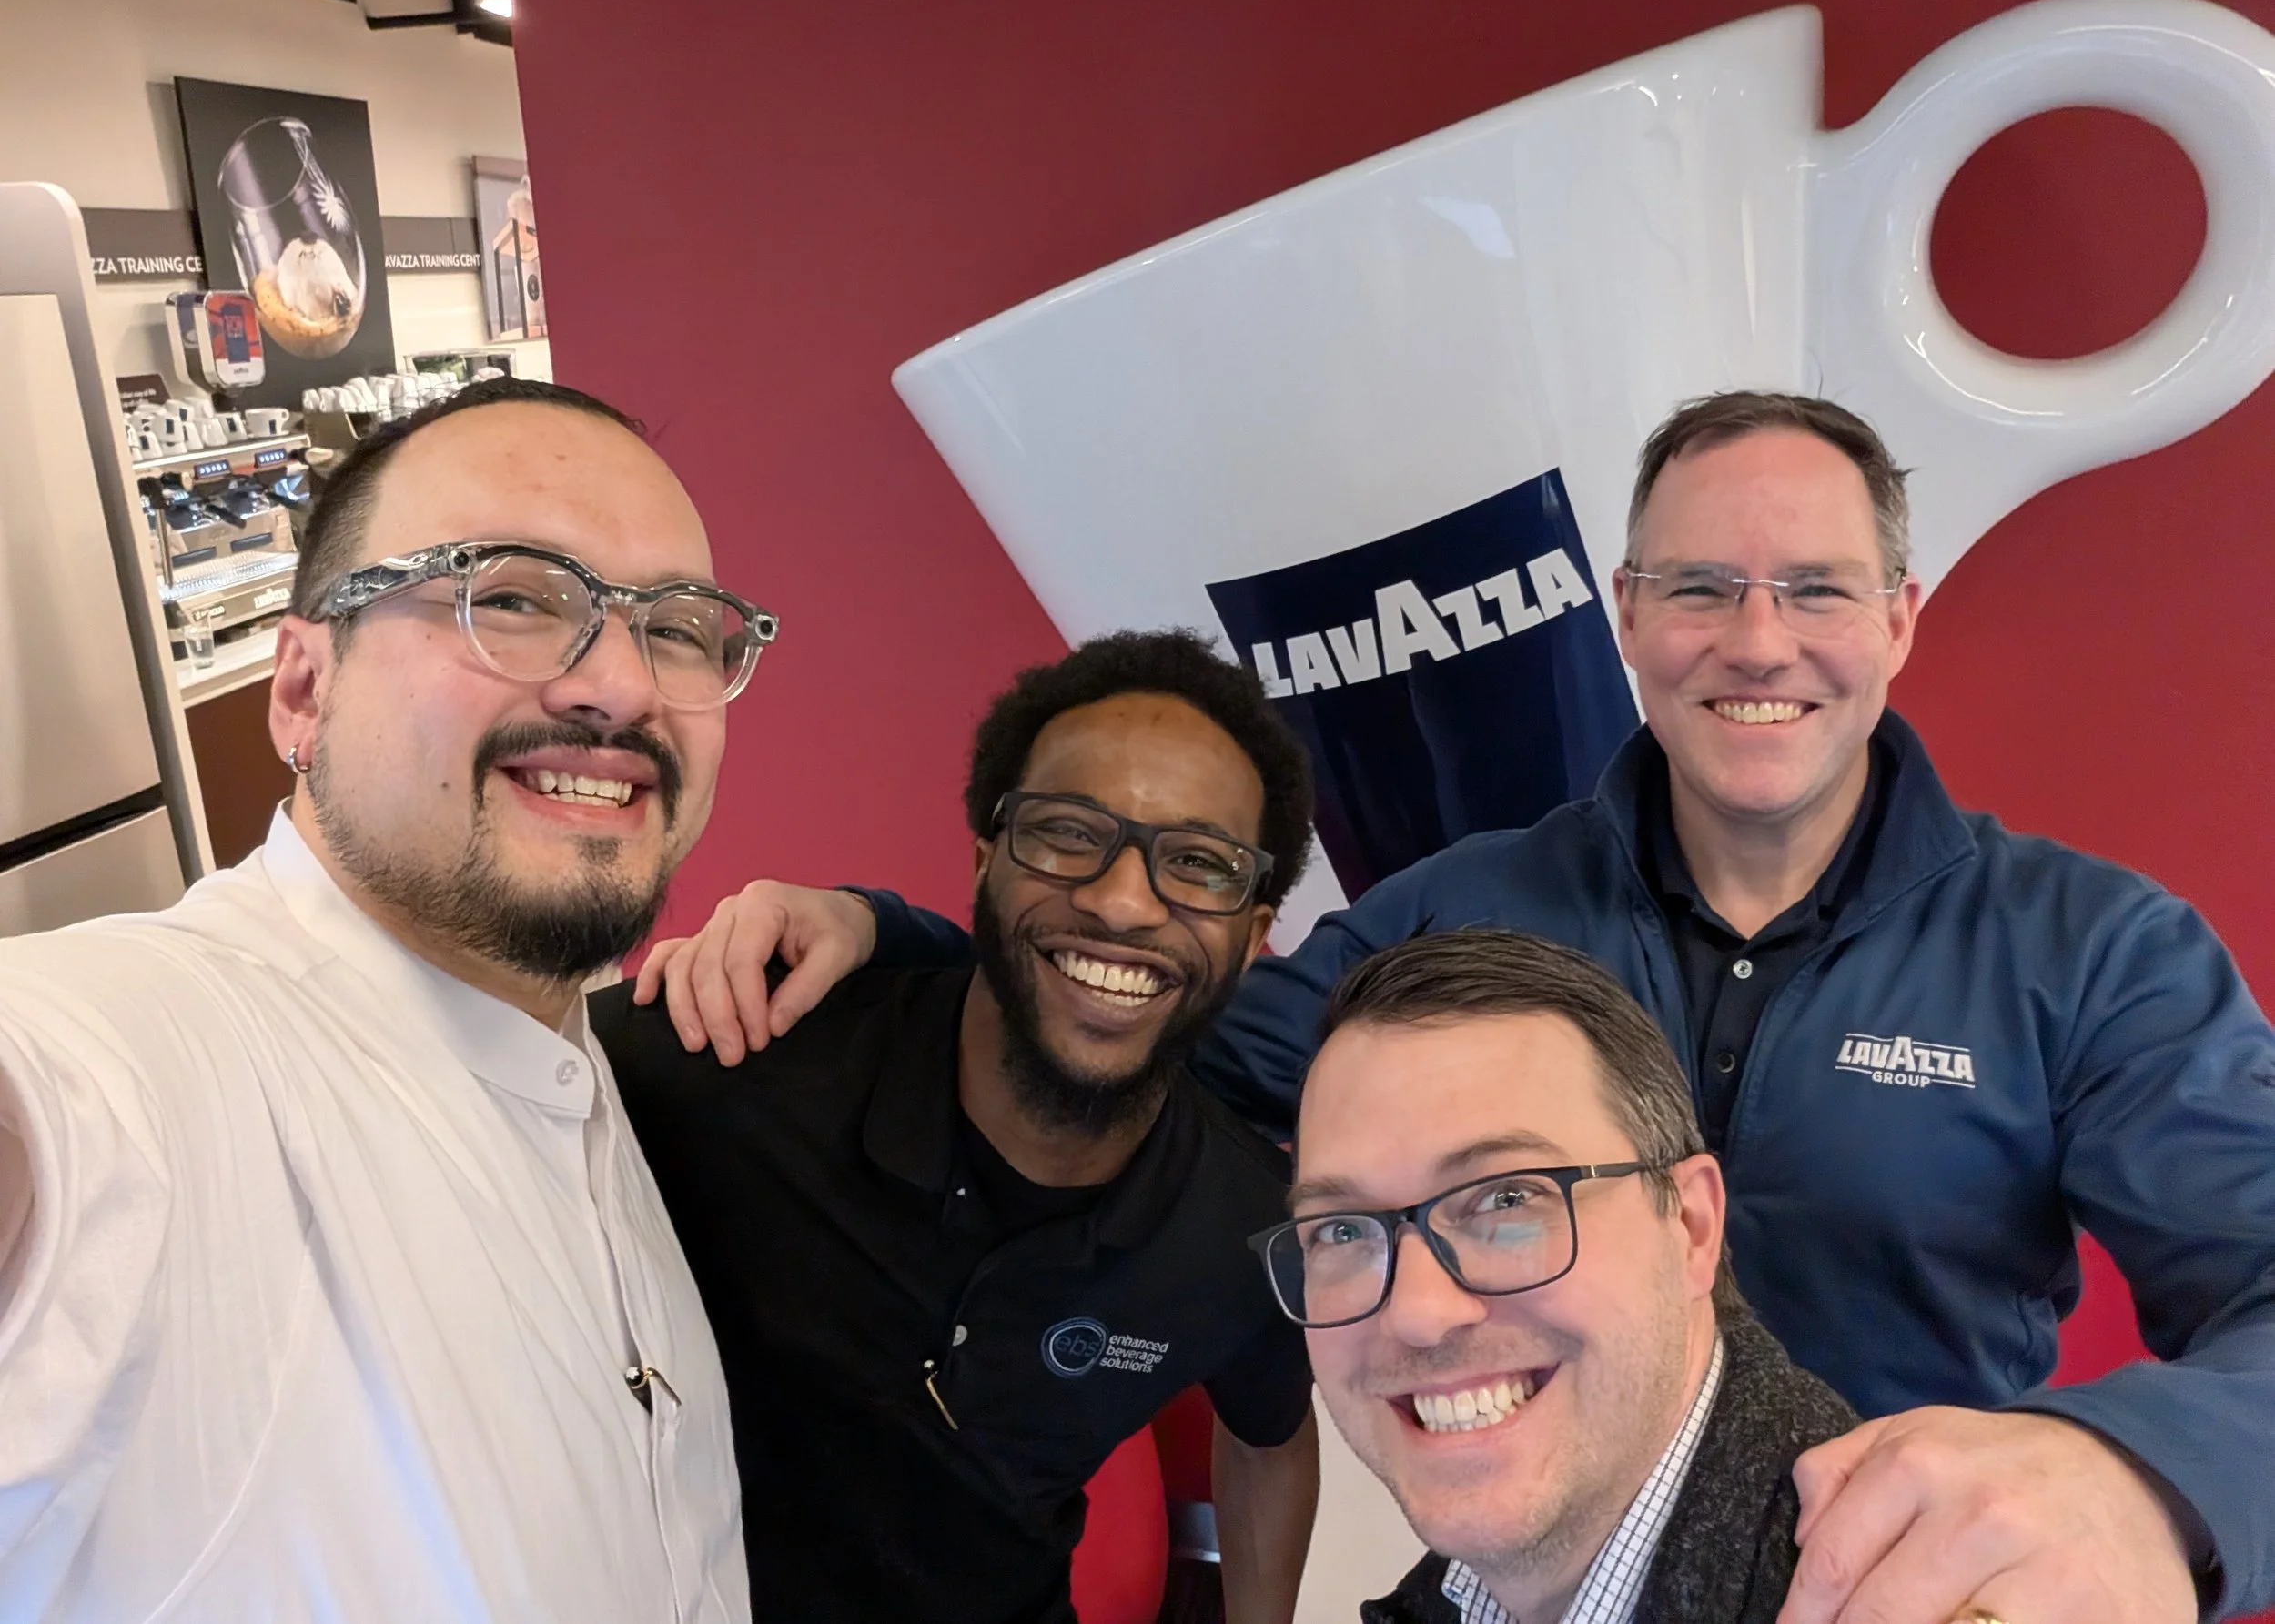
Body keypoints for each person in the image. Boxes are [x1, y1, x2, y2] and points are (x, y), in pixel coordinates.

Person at [641, 390, 2275, 1623]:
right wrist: (901, 940)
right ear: (1625, 617)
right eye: (1701, 588)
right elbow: (1158, 1025)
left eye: (1819, 590)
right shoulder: (1467, 905)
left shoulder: (2093, 950)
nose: (1757, 640)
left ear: (1900, 620)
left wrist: (2143, 1474)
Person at [0, 378, 776, 1620]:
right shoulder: (161, 1061)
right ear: (304, 689)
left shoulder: (574, 1041)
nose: (622, 685)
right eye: (513, 596)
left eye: (680, 626)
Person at [595, 630, 1322, 1623]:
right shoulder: (728, 1058)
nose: (1120, 902)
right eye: (1069, 833)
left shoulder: (1243, 1227)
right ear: (985, 863)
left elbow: (1273, 1438)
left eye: (1198, 863)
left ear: (1253, 935)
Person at [1270, 927, 1855, 1624]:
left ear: (1693, 1225)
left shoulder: (1909, 1589)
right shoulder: (1460, 1597)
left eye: (1507, 1198)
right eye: (1342, 1229)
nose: (1417, 1313)